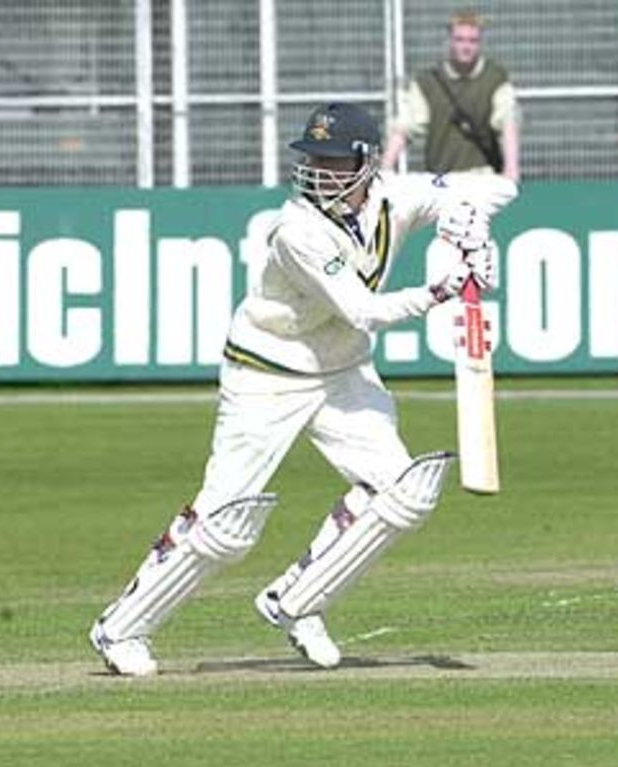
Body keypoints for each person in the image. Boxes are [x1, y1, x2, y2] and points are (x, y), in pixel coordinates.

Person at [89, 102, 517, 676]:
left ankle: (297, 602)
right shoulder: (297, 230)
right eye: (313, 158)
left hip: (342, 373)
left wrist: (465, 229)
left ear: (366, 163)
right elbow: (363, 310)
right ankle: (121, 629)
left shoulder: (396, 197)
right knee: (225, 525)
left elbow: (491, 189)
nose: (318, 170)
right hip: (266, 374)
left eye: (333, 160)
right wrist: (440, 289)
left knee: (403, 492)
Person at [381, 10, 520, 182]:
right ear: (450, 41)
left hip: (483, 176)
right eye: (459, 39)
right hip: (441, 178)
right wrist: (386, 169)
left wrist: (511, 168)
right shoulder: (428, 82)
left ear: (480, 43)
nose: (466, 46)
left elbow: (507, 123)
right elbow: (404, 127)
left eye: (472, 40)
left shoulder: (495, 78)